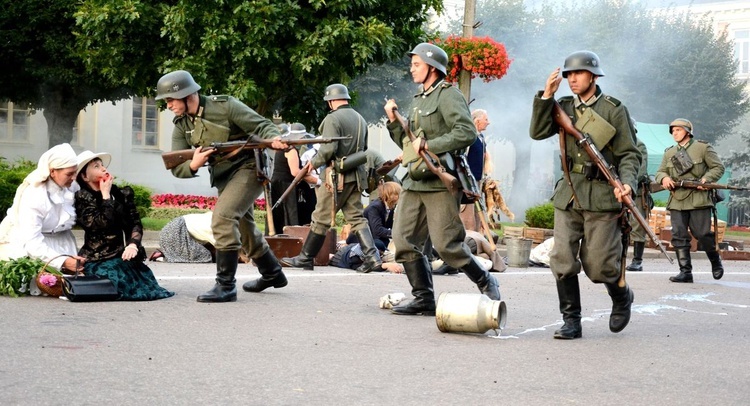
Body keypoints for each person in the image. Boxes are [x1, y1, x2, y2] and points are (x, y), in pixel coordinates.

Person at [382, 42, 501, 316]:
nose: (411, 69)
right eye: (412, 64)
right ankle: (423, 298)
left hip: (439, 181)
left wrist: (431, 144)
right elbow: (408, 144)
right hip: (414, 182)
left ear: (432, 67)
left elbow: (466, 132)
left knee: (447, 246)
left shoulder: (448, 95)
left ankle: (485, 279)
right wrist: (392, 121)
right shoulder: (417, 100)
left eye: (416, 64)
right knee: (403, 241)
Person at [529, 50, 639, 339]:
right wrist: (546, 97)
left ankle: (621, 296)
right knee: (562, 259)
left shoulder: (614, 109)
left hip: (603, 195)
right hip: (569, 193)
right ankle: (571, 320)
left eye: (577, 73)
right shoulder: (562, 105)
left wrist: (627, 182)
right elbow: (538, 132)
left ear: (593, 75)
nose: (572, 79)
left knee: (600, 266)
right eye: (568, 75)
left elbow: (630, 153)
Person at [156, 70, 289, 302]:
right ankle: (272, 273)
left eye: (170, 99)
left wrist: (274, 138)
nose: (168, 105)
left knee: (223, 218)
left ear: (187, 95)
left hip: (248, 168)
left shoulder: (226, 106)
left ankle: (225, 285)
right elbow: (177, 166)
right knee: (244, 225)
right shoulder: (181, 125)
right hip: (224, 176)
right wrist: (194, 165)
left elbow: (262, 126)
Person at [280, 83, 382, 274]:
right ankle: (373, 258)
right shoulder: (360, 119)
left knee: (320, 217)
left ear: (330, 101)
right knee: (357, 217)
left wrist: (313, 163)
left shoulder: (332, 119)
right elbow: (364, 148)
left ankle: (305, 258)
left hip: (336, 177)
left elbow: (327, 150)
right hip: (356, 176)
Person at [74, 151, 174, 301]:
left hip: (121, 255)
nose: (103, 169)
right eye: (96, 166)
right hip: (97, 258)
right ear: (84, 176)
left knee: (145, 281)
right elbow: (98, 224)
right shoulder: (83, 197)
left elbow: (134, 222)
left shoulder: (121, 194)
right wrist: (105, 196)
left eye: (102, 165)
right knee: (115, 281)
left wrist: (133, 245)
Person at [0, 144, 86, 287]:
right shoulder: (34, 196)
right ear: (52, 172)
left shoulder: (71, 186)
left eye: (75, 172)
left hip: (61, 241)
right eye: (69, 174)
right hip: (32, 244)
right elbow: (32, 241)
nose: (73, 178)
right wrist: (62, 261)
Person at [655, 118, 725, 282]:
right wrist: (664, 178)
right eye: (673, 131)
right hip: (677, 199)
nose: (674, 133)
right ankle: (685, 272)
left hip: (698, 198)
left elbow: (718, 167)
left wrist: (706, 179)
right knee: (678, 235)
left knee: (702, 233)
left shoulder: (703, 148)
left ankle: (716, 261)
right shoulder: (669, 152)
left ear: (687, 131)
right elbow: (660, 172)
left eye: (678, 130)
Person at [270, 123, 320, 232]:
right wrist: (311, 176)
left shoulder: (282, 148)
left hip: (279, 183)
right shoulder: (291, 150)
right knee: (289, 214)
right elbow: (295, 172)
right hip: (286, 185)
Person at [346, 181, 401, 252]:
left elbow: (389, 226)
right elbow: (378, 230)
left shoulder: (390, 206)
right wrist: (396, 234)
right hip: (361, 240)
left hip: (374, 238)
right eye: (398, 194)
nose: (400, 196)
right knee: (381, 244)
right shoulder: (375, 207)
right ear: (390, 194)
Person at [626, 133, 652, 272]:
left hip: (636, 191)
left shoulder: (638, 145)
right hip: (617, 190)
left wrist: (628, 185)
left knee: (637, 224)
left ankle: (637, 260)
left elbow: (640, 171)